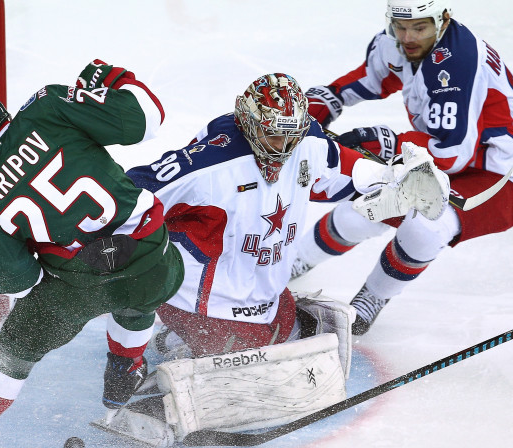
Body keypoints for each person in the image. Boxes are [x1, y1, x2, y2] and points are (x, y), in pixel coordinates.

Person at [95, 72, 449, 444]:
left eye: (292, 133)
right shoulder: (211, 164)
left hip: (263, 296)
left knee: (312, 331)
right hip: (201, 304)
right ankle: (171, 369)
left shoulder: (305, 141)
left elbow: (352, 171)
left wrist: (404, 178)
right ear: (248, 122)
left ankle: (182, 346)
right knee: (268, 376)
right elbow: (132, 192)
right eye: (273, 134)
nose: (284, 146)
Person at [0, 60, 185, 448]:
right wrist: (113, 79)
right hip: (156, 261)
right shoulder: (47, 105)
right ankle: (124, 372)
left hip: (78, 285)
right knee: (137, 286)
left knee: (16, 347)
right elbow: (145, 120)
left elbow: (13, 279)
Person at [294, 0, 513, 335]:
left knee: (425, 227)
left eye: (420, 27)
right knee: (362, 209)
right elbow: (368, 78)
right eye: (401, 25)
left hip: (495, 174)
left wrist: (391, 144)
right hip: (437, 154)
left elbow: (452, 152)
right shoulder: (398, 42)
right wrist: (322, 102)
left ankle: (373, 298)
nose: (408, 37)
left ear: (443, 21)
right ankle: (299, 260)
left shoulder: (456, 64)